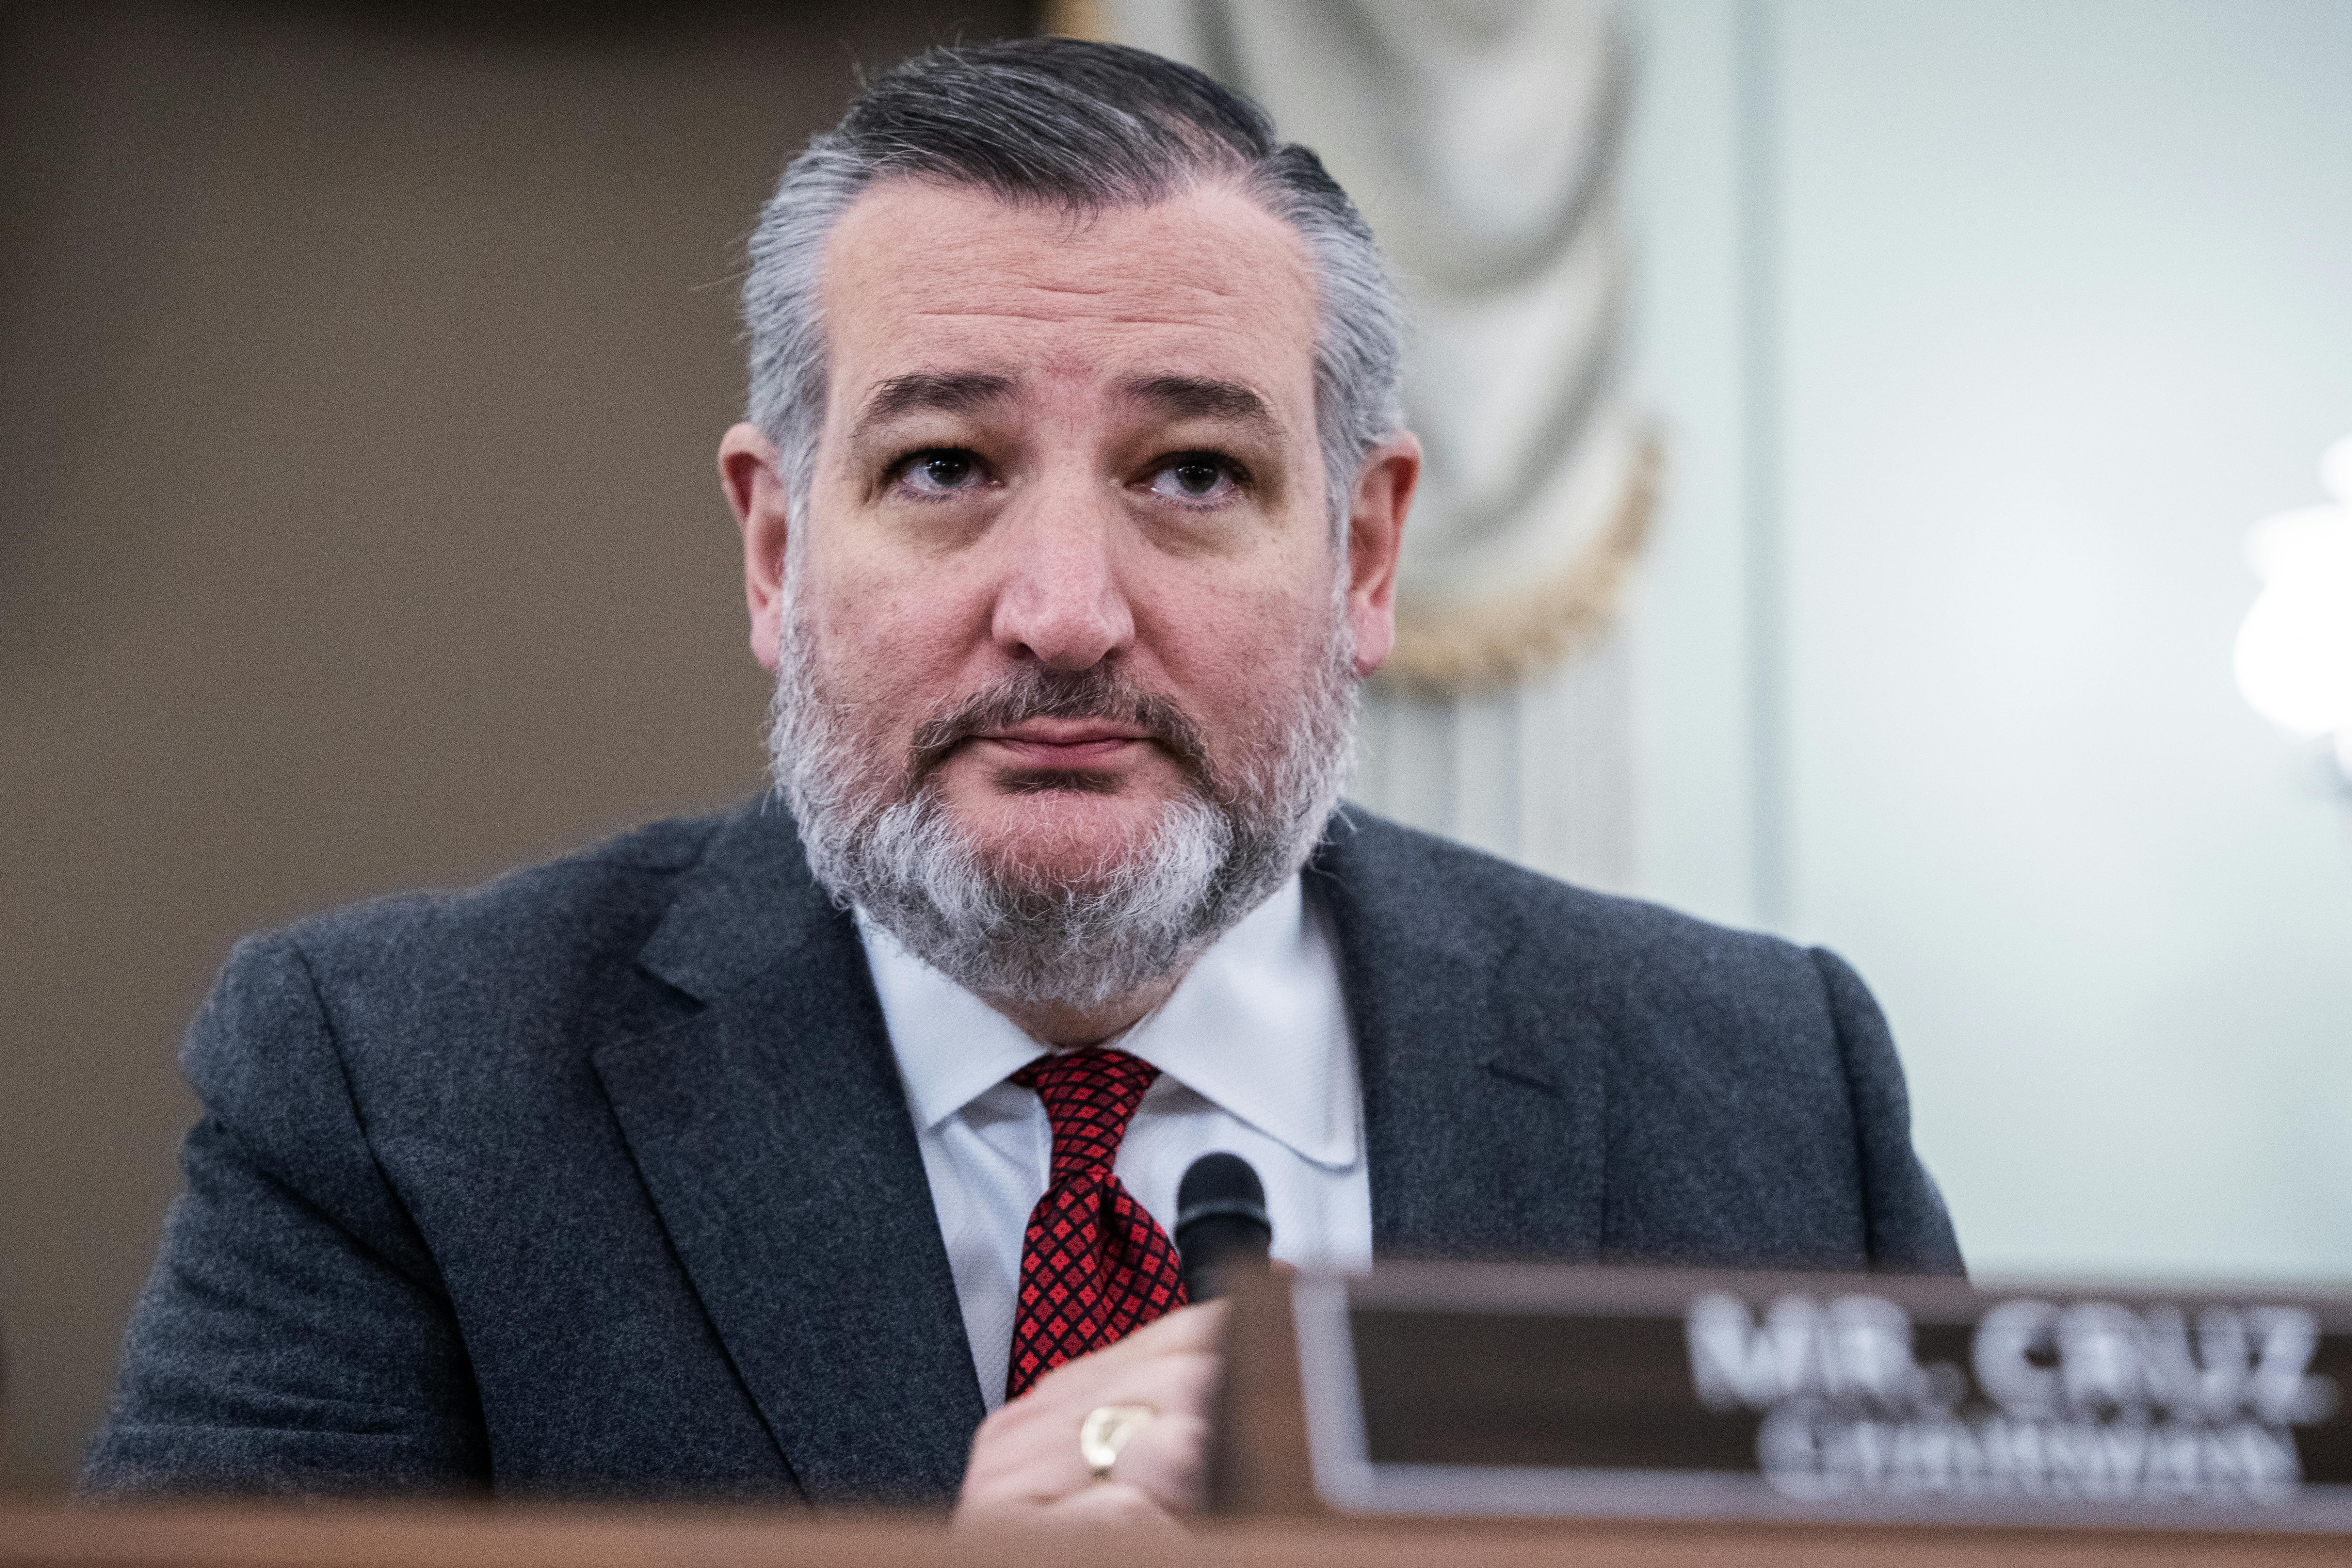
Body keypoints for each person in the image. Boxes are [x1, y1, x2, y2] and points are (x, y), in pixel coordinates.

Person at [83, 37, 1960, 1526]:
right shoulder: (395, 1089)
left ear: (1367, 554)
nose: (1064, 614)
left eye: (1196, 475)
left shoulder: (1765, 1089)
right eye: (945, 469)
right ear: (776, 552)